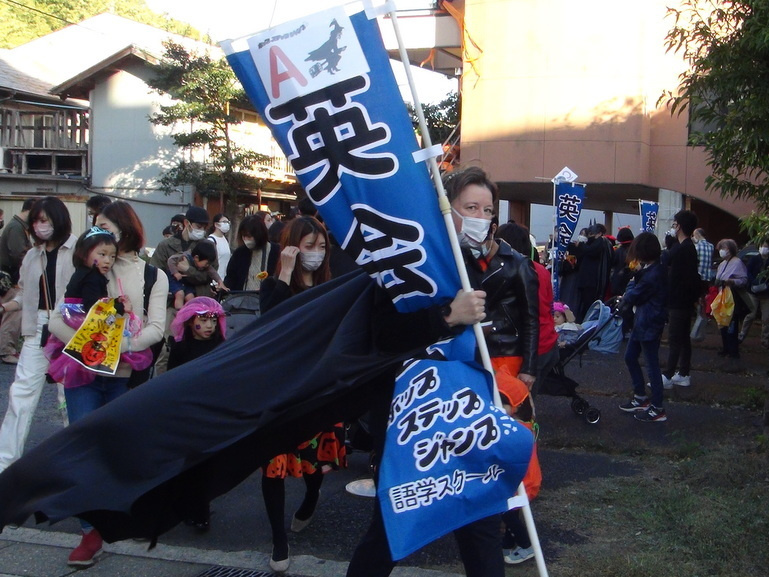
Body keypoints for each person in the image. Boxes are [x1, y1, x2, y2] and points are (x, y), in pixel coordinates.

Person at [347, 165, 539, 577]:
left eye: (487, 210)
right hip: (412, 415)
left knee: (481, 523)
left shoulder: (487, 263)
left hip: (467, 410)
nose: (480, 218)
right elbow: (384, 335)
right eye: (470, 207)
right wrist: (448, 316)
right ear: (443, 208)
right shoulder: (405, 261)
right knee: (390, 530)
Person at [48, 200, 168, 565]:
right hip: (82, 376)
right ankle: (90, 532)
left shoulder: (152, 275)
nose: (98, 232)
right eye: (95, 225)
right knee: (83, 453)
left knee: (121, 452)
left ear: (126, 229)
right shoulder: (85, 266)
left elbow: (157, 328)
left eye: (106, 226)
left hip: (125, 378)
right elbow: (56, 319)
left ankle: (127, 515)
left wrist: (119, 347)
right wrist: (88, 344)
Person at [258, 216, 345, 572]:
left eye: (321, 246)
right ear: (291, 247)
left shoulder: (331, 285)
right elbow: (268, 323)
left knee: (312, 460)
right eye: (309, 246)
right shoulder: (273, 284)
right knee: (273, 465)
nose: (316, 253)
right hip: (278, 390)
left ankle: (311, 496)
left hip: (315, 388)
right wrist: (284, 272)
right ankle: (279, 540)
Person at [0, 197, 77, 473]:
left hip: (70, 328)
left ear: (58, 219)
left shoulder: (78, 249)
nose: (38, 226)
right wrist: (5, 306)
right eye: (35, 221)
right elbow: (23, 293)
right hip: (36, 326)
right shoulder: (32, 255)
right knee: (21, 394)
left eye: (44, 220)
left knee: (68, 398)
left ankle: (74, 465)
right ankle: (5, 464)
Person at [167, 296, 227, 532]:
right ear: (191, 321)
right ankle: (186, 507)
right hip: (186, 412)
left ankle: (202, 511)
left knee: (205, 465)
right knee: (186, 464)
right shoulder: (181, 348)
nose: (210, 326)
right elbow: (171, 379)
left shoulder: (221, 345)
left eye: (213, 320)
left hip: (211, 411)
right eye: (204, 320)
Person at [495, 221, 559, 391]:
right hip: (547, 342)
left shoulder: (509, 271)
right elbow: (547, 305)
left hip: (528, 350)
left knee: (517, 399)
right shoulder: (541, 270)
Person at [617, 233, 668, 422]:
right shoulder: (654, 268)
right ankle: (640, 396)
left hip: (649, 323)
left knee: (651, 365)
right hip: (644, 321)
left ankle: (657, 407)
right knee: (630, 357)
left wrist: (631, 284)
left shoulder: (653, 274)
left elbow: (634, 295)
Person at [661, 210, 699, 389]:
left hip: (678, 300)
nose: (673, 226)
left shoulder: (683, 248)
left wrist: (668, 244)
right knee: (683, 338)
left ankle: (668, 375)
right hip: (684, 300)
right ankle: (683, 373)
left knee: (675, 338)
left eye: (675, 224)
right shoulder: (686, 246)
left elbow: (667, 260)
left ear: (679, 226)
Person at [151, 206, 215, 298]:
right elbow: (155, 273)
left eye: (204, 228)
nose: (201, 230)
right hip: (172, 298)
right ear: (186, 223)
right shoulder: (166, 245)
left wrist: (188, 270)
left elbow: (209, 275)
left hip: (199, 299)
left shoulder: (208, 246)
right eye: (199, 226)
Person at [713, 239, 748, 366]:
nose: (722, 251)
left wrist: (732, 281)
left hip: (732, 297)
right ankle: (726, 347)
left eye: (725, 248)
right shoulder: (722, 264)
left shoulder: (737, 263)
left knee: (732, 324)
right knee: (722, 323)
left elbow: (743, 280)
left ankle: (733, 350)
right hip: (722, 296)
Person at [223, 215, 279, 292]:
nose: (246, 239)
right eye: (243, 236)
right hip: (243, 297)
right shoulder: (239, 253)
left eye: (249, 236)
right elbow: (231, 278)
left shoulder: (275, 251)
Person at [571, 223, 612, 322]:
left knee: (589, 304)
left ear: (599, 233)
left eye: (592, 234)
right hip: (589, 280)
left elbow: (590, 251)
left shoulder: (601, 242)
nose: (590, 236)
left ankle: (589, 322)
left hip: (592, 281)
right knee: (586, 304)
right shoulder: (599, 242)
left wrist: (581, 244)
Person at [167, 241, 226, 310]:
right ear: (196, 257)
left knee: (190, 297)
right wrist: (175, 272)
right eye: (206, 263)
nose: (207, 265)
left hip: (186, 281)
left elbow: (212, 272)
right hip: (175, 279)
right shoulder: (185, 256)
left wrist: (219, 281)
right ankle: (179, 311)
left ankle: (190, 311)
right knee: (180, 294)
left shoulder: (203, 264)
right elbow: (171, 260)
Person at [739, 237, 769, 346]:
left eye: (766, 246)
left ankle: (765, 340)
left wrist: (766, 285)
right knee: (750, 315)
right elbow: (748, 272)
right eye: (762, 246)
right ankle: (742, 335)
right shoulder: (754, 259)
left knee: (766, 318)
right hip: (753, 292)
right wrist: (754, 282)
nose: (763, 248)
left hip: (766, 294)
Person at [0, 198, 35, 284]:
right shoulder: (16, 228)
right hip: (12, 276)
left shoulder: (20, 226)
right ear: (30, 211)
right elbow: (18, 255)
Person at [208, 213, 231, 279]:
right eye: (224, 222)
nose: (227, 224)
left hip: (224, 278)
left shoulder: (225, 239)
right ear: (216, 224)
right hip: (215, 279)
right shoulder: (211, 240)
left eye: (228, 222)